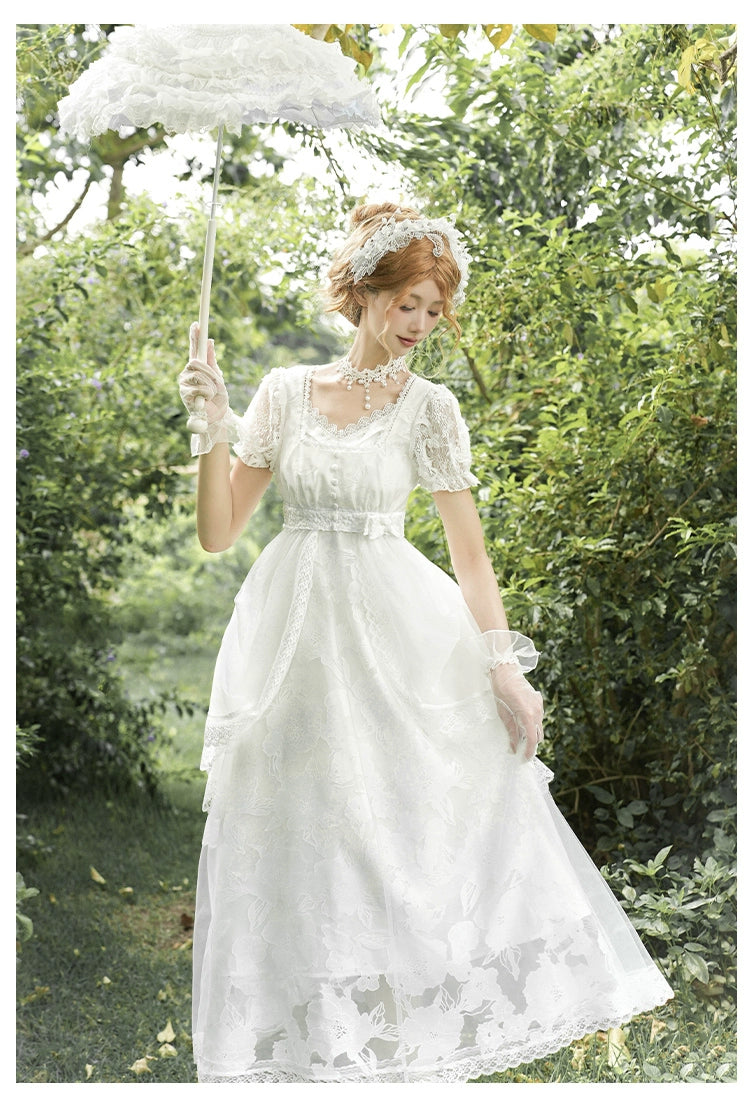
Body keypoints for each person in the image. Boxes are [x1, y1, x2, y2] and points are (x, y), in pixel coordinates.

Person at [179, 202, 673, 1084]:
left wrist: (504, 666)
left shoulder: (431, 409)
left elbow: (469, 557)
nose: (419, 324)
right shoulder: (284, 393)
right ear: (364, 293)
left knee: (395, 826)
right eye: (407, 302)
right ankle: (315, 1041)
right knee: (305, 828)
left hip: (394, 632)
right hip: (294, 639)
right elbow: (219, 533)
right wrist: (211, 427)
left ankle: (407, 1032)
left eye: (434, 309)